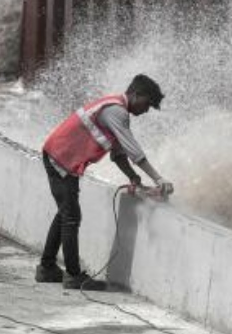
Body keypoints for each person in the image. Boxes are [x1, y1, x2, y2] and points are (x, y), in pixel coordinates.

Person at [38, 74, 174, 290]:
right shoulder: (117, 111)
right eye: (147, 104)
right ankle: (74, 276)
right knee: (71, 217)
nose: (147, 110)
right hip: (61, 158)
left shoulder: (114, 108)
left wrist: (133, 177)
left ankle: (46, 268)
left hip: (60, 156)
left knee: (65, 213)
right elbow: (133, 150)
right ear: (136, 94)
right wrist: (158, 178)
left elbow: (118, 155)